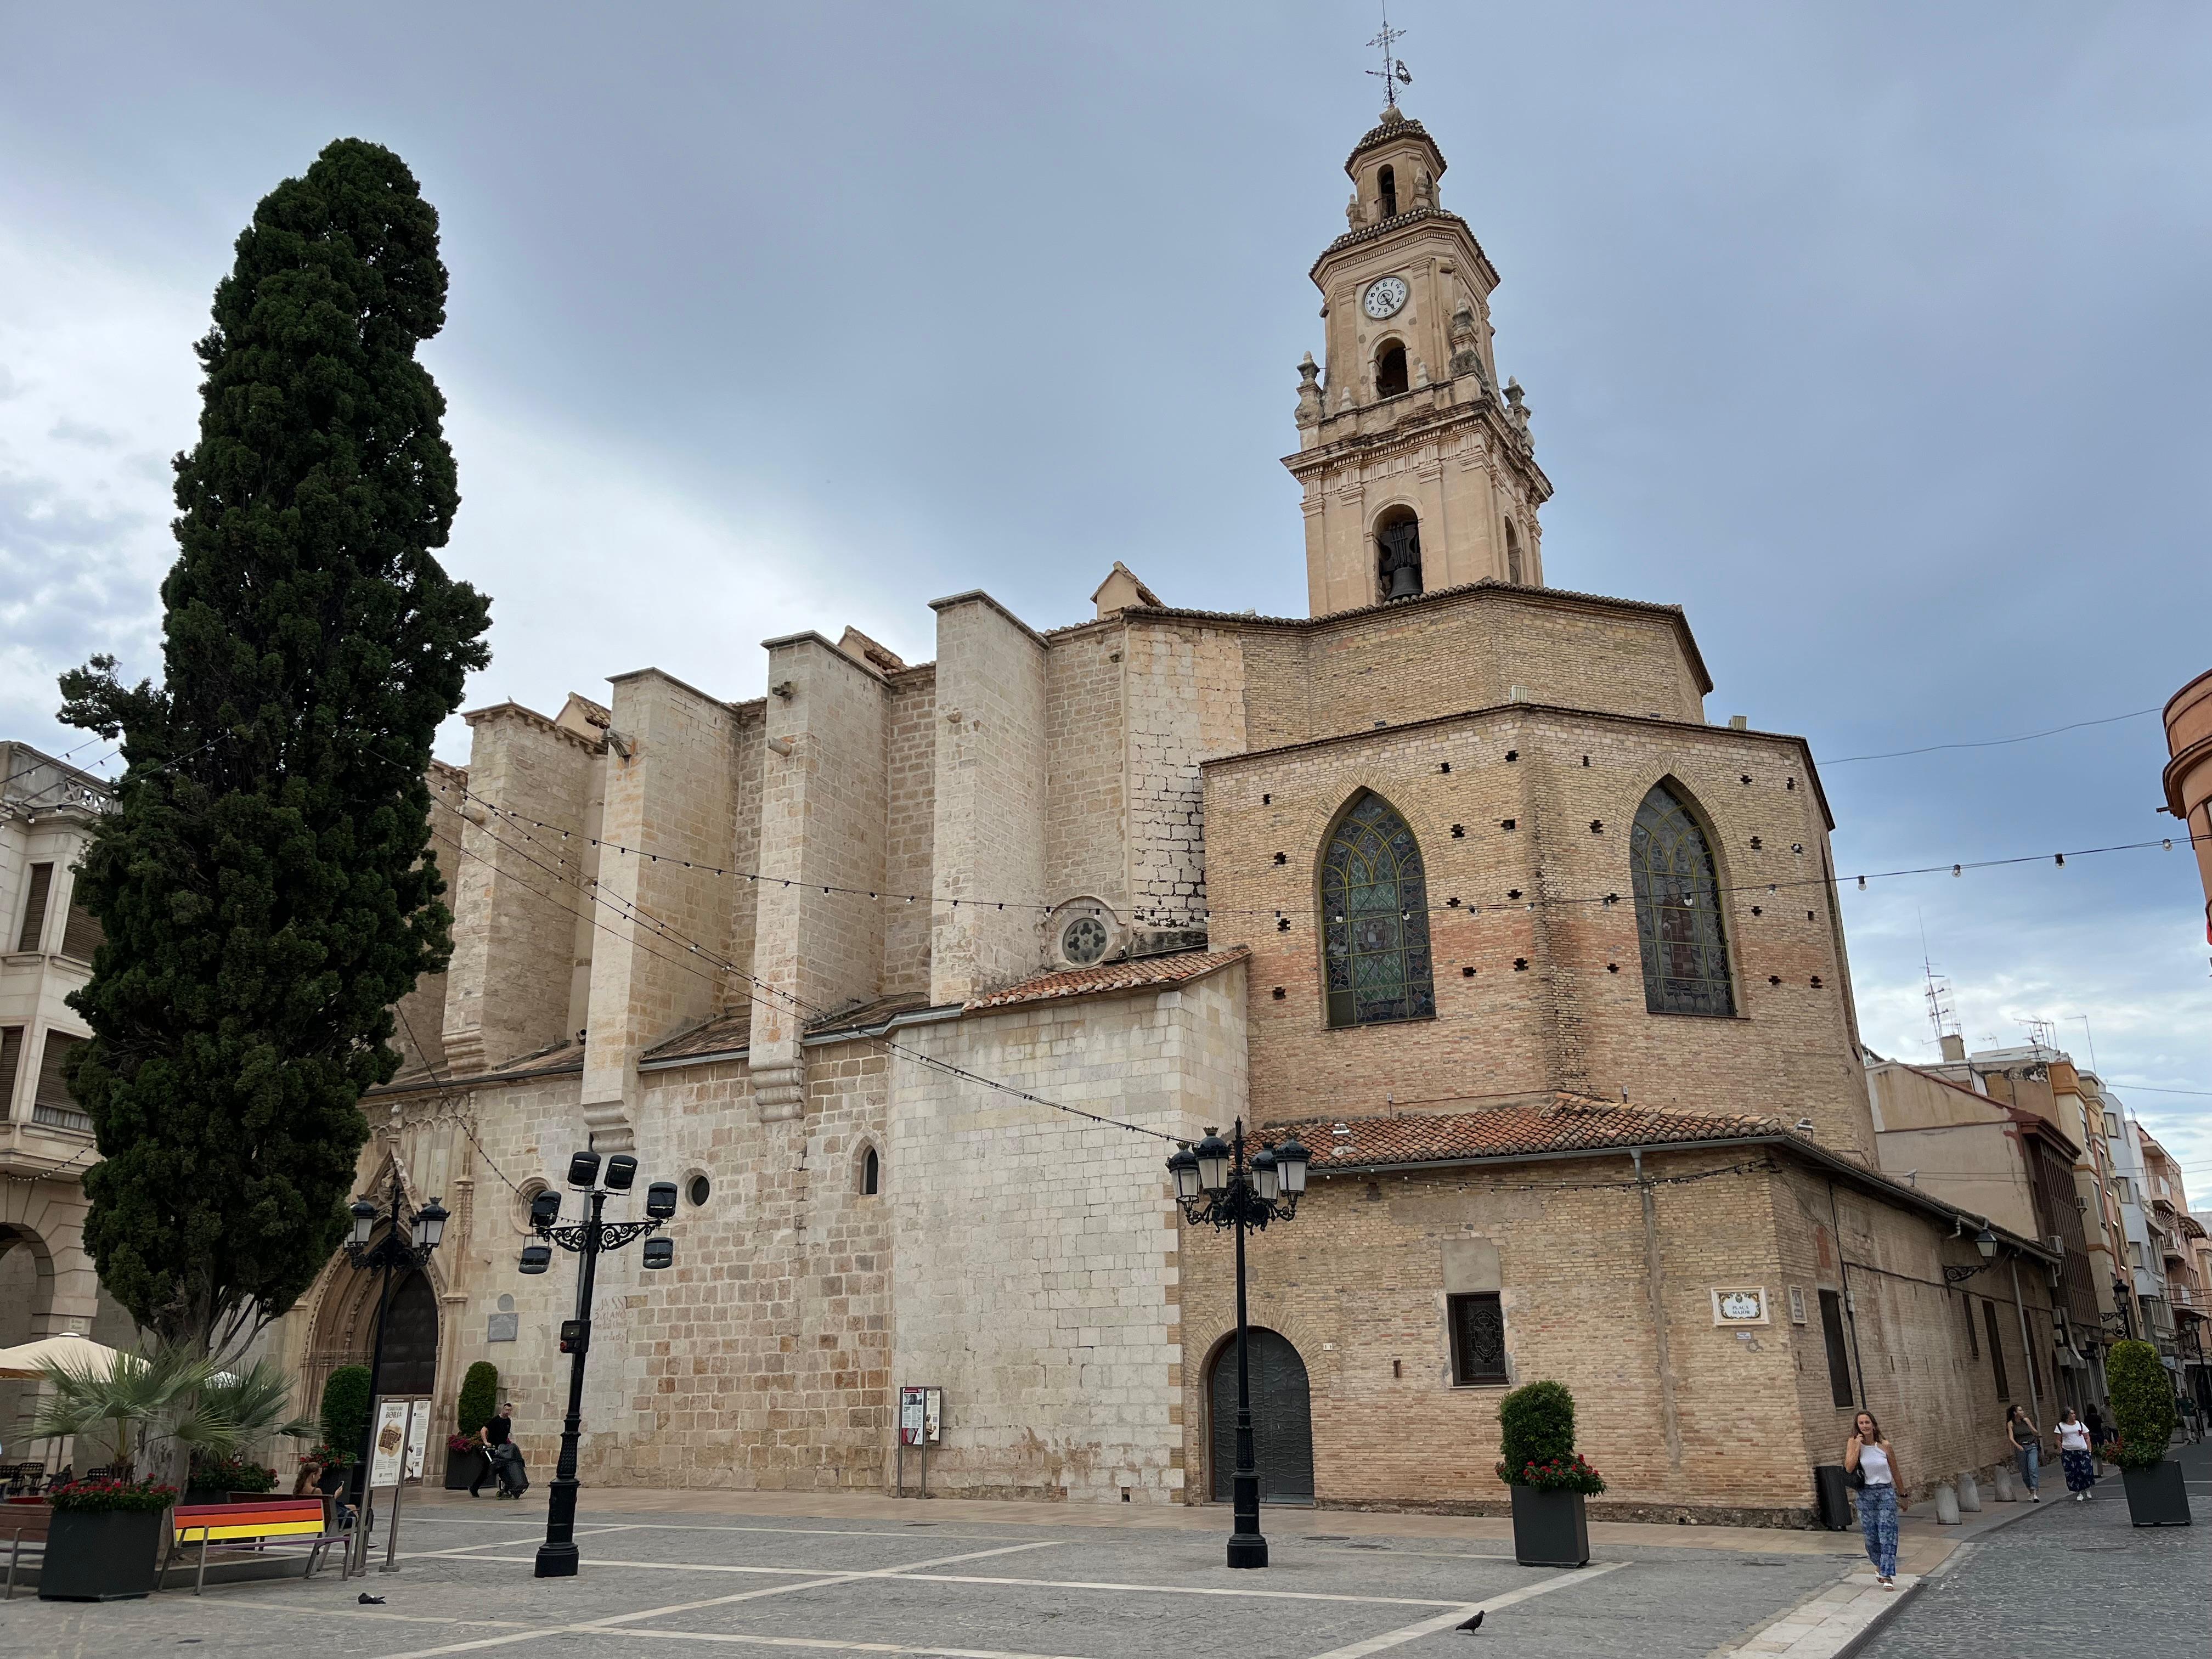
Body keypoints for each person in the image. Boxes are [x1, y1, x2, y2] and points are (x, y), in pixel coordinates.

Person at [1844, 1411, 1902, 1589]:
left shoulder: (1885, 1446)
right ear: (1858, 1426)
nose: (1864, 1426)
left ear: (1874, 1425)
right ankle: (1878, 1565)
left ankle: (1887, 1575)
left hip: (1885, 1493)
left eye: (1867, 1422)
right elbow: (1849, 1468)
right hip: (1865, 1494)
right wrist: (1857, 1447)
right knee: (1871, 1537)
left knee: (1887, 1533)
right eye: (1861, 1423)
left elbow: (1895, 1471)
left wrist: (1903, 1494)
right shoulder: (1853, 1443)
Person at [470, 1399, 515, 1498]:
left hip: (502, 1449)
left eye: (510, 1410)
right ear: (503, 1409)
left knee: (504, 1468)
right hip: (492, 1449)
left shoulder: (508, 1421)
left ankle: (507, 1489)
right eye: (506, 1410)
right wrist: (486, 1442)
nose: (508, 1412)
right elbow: (483, 1430)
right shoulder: (495, 1420)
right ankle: (474, 1488)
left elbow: (506, 1436)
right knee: (487, 1470)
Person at [2056, 1409, 2095, 1502]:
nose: (2074, 1415)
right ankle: (2079, 1492)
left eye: (2074, 1413)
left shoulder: (2080, 1424)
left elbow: (2087, 1437)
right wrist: (2061, 1450)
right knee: (2074, 1472)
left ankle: (2087, 1487)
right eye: (2072, 1413)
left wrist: (2089, 1450)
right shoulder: (2061, 1426)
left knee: (2086, 1470)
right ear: (2067, 1415)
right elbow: (2058, 1439)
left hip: (2082, 1450)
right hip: (2069, 1451)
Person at [2006, 1404, 2041, 1502]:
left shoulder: (2026, 1421)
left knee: (2033, 1469)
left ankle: (2035, 1492)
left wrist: (2029, 1424)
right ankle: (2030, 1490)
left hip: (2032, 1446)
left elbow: (2036, 1432)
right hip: (2021, 1448)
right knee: (2025, 1472)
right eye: (2020, 1410)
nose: (2023, 1412)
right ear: (2015, 1413)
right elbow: (2011, 1438)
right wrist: (2018, 1446)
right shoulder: (2011, 1423)